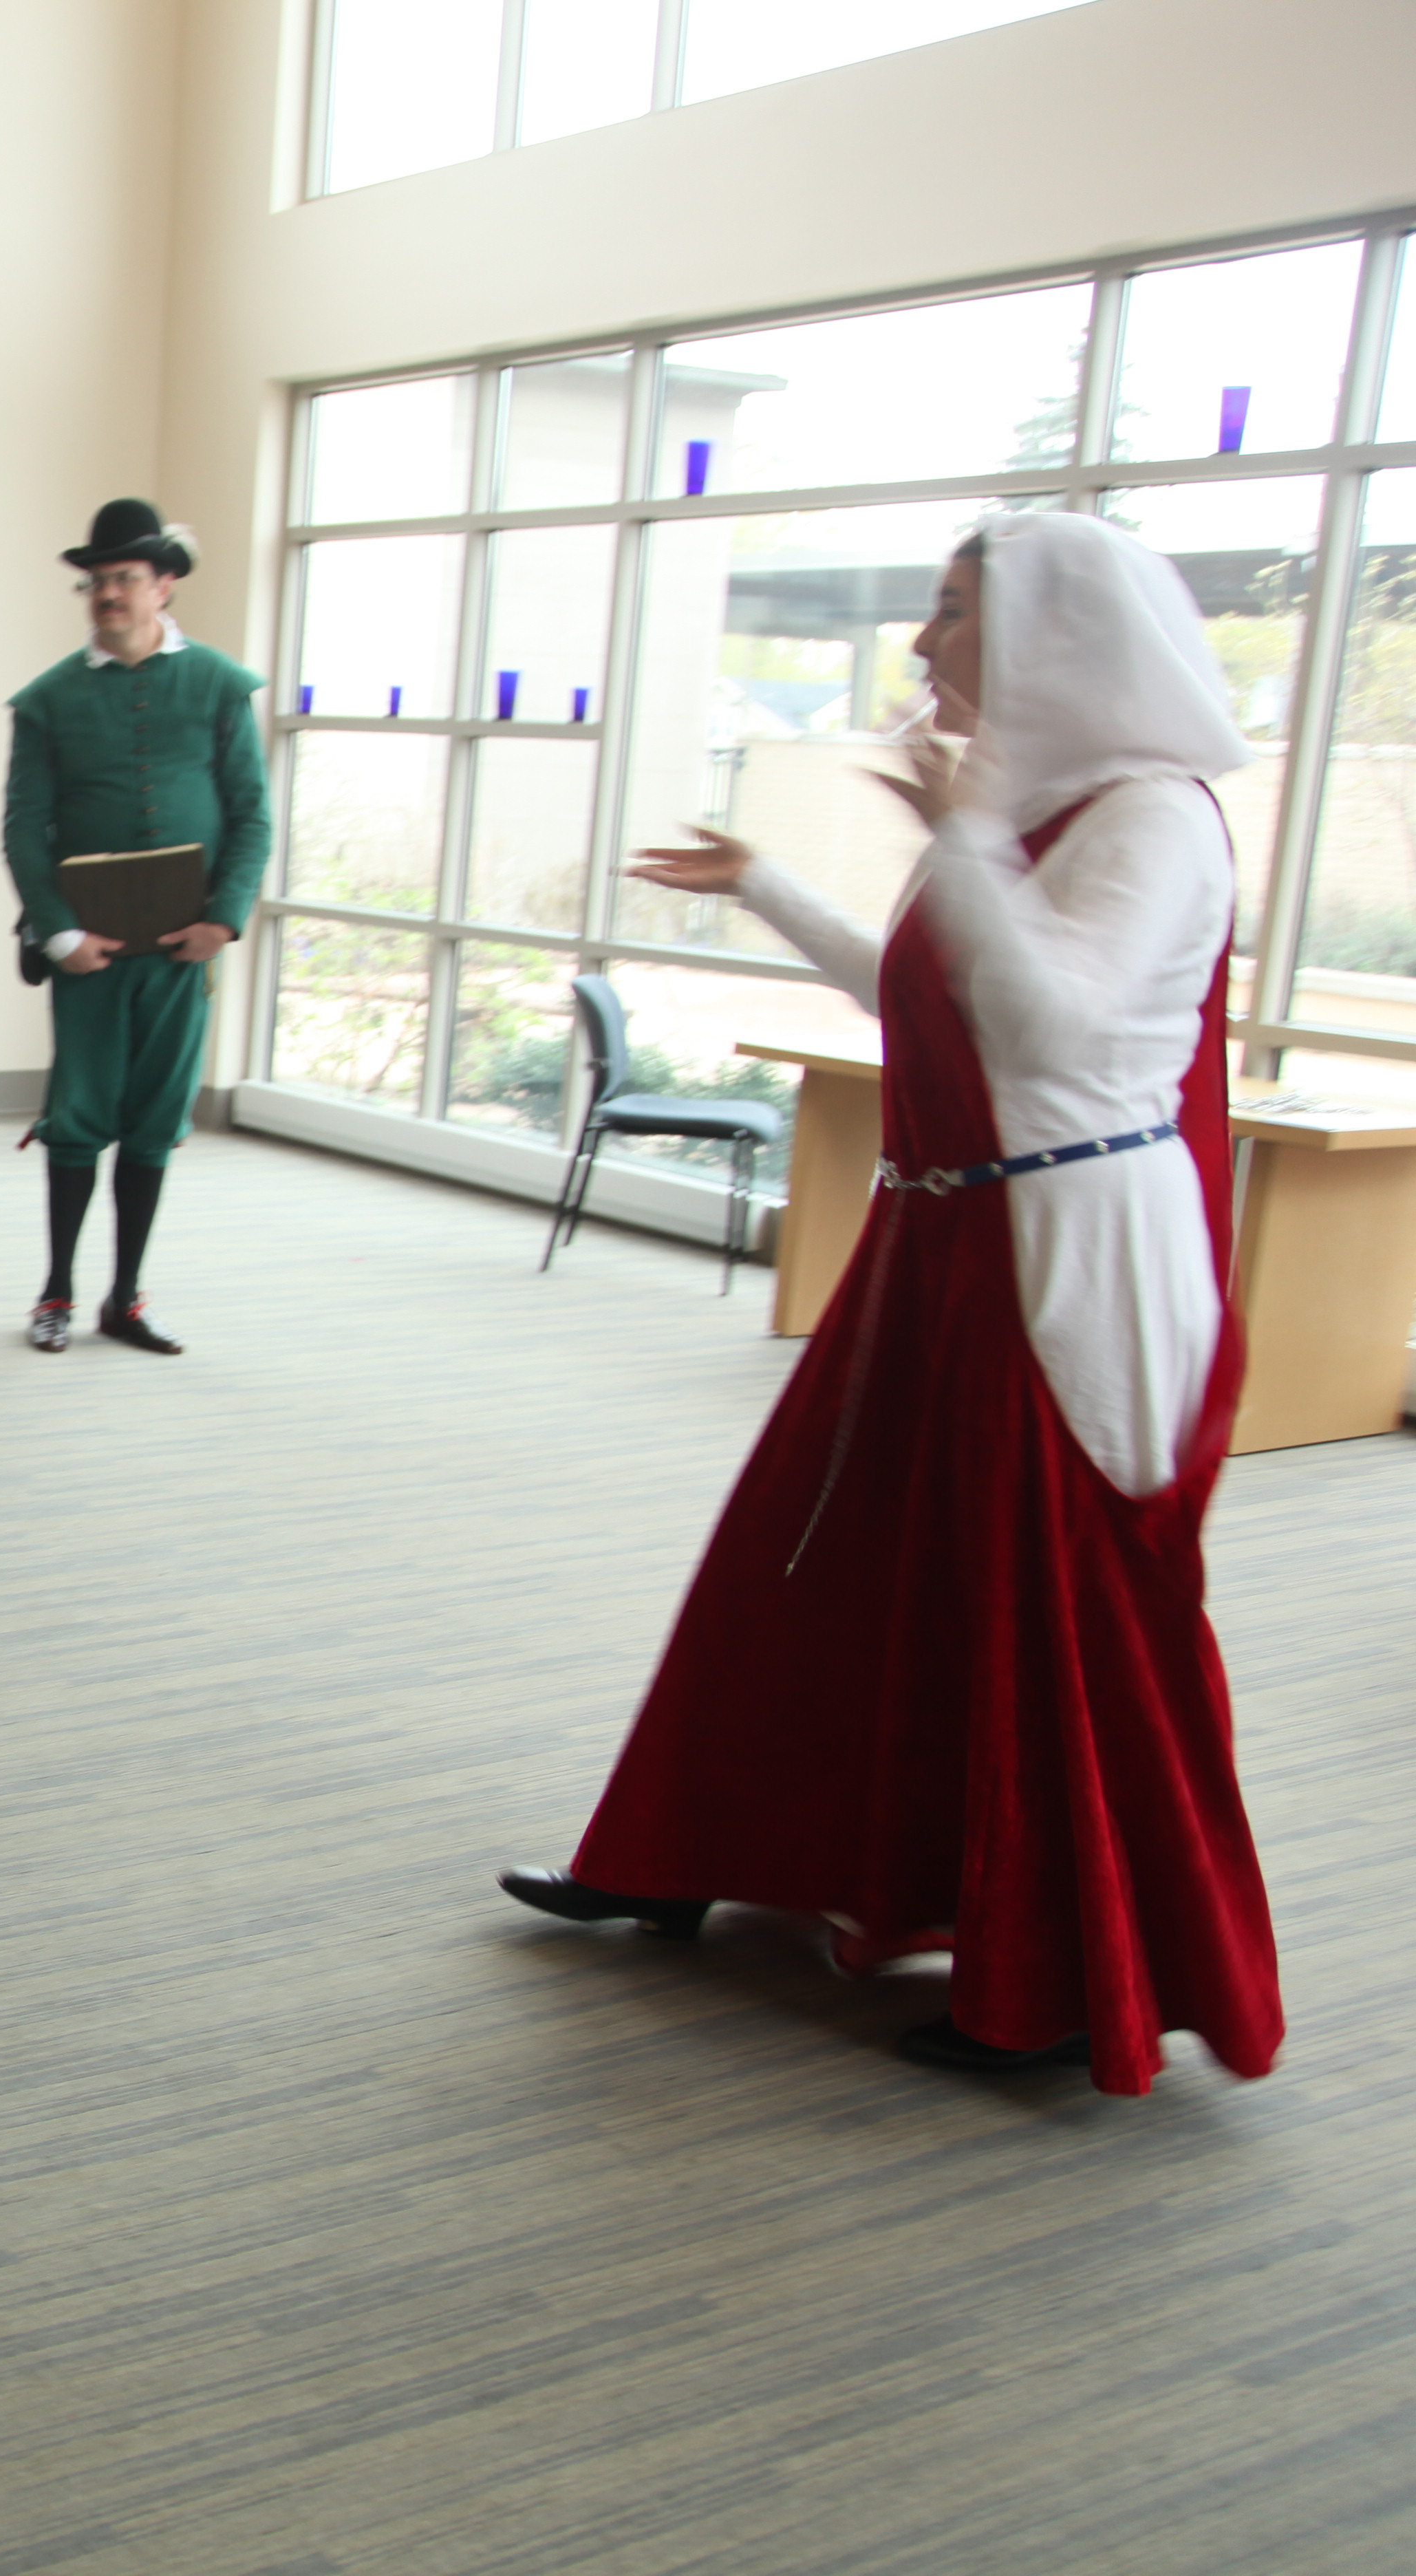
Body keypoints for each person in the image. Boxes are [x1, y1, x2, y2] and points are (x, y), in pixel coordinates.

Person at [500, 512, 1280, 2097]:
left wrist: (970, 837)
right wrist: (771, 884)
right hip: (942, 1234)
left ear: (1060, 634)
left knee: (1033, 1601)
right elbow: (920, 988)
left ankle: (1062, 1976)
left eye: (955, 610)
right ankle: (687, 1848)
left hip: (1059, 1253)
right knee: (809, 1552)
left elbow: (1055, 1028)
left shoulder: (1151, 819)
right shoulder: (1029, 805)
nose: (925, 644)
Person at [2, 499, 270, 1355]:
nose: (109, 595)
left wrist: (223, 921)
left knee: (156, 1120)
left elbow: (253, 816)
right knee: (78, 1116)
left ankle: (125, 1299)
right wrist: (59, 933)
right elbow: (23, 829)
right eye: (98, 582)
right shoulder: (48, 700)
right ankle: (56, 1293)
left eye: (126, 579)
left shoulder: (221, 687)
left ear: (164, 586)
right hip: (88, 951)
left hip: (184, 949)